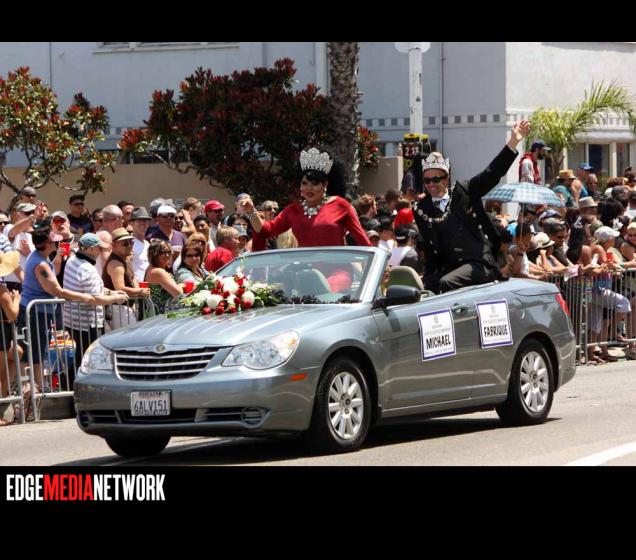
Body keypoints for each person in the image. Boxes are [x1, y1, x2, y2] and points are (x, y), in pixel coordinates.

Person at [413, 119, 530, 293]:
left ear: (446, 178)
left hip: (479, 263)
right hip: (450, 267)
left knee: (446, 283)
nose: (431, 184)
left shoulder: (464, 191)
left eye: (436, 179)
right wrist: (426, 279)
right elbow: (430, 250)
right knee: (421, 288)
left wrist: (513, 142)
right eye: (427, 180)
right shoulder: (421, 208)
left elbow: (491, 174)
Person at [241, 147, 371, 291]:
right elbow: (266, 230)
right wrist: (251, 212)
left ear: (325, 185)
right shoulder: (293, 210)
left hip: (337, 272)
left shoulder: (341, 205)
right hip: (304, 273)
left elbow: (363, 240)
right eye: (304, 183)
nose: (309, 188)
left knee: (324, 291)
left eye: (314, 183)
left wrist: (377, 269)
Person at [18, 225, 101, 394]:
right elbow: (57, 291)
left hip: (40, 312)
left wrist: (57, 258)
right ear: (47, 244)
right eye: (54, 241)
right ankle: (38, 388)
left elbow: (53, 275)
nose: (58, 243)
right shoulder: (40, 264)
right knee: (36, 351)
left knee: (39, 350)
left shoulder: (41, 257)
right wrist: (86, 297)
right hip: (35, 313)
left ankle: (38, 387)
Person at [63, 233, 129, 383]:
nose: (101, 251)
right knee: (87, 357)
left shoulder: (72, 260)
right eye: (99, 248)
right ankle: (78, 385)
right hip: (87, 322)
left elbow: (93, 290)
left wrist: (111, 292)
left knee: (82, 355)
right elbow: (95, 299)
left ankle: (71, 384)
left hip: (73, 319)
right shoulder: (87, 269)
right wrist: (115, 298)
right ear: (89, 249)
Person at [103, 228, 150, 329]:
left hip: (125, 308)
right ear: (114, 245)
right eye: (125, 244)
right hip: (118, 309)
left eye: (131, 242)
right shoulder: (115, 264)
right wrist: (140, 291)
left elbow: (133, 279)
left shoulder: (125, 259)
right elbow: (120, 289)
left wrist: (139, 291)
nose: (129, 246)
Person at [0, 252, 22, 422]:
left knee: (17, 353)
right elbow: (13, 314)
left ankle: (5, 394)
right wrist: (16, 299)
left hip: (4, 331)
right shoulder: (1, 288)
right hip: (1, 330)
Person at [145, 240, 183, 314]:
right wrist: (182, 285)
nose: (167, 255)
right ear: (154, 255)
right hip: (161, 316)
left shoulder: (151, 268)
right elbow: (178, 294)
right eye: (162, 252)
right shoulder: (158, 272)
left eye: (169, 252)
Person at [130, 207, 151, 283]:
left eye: (145, 220)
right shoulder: (128, 244)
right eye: (139, 220)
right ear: (131, 223)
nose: (142, 223)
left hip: (149, 285)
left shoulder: (148, 244)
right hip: (136, 286)